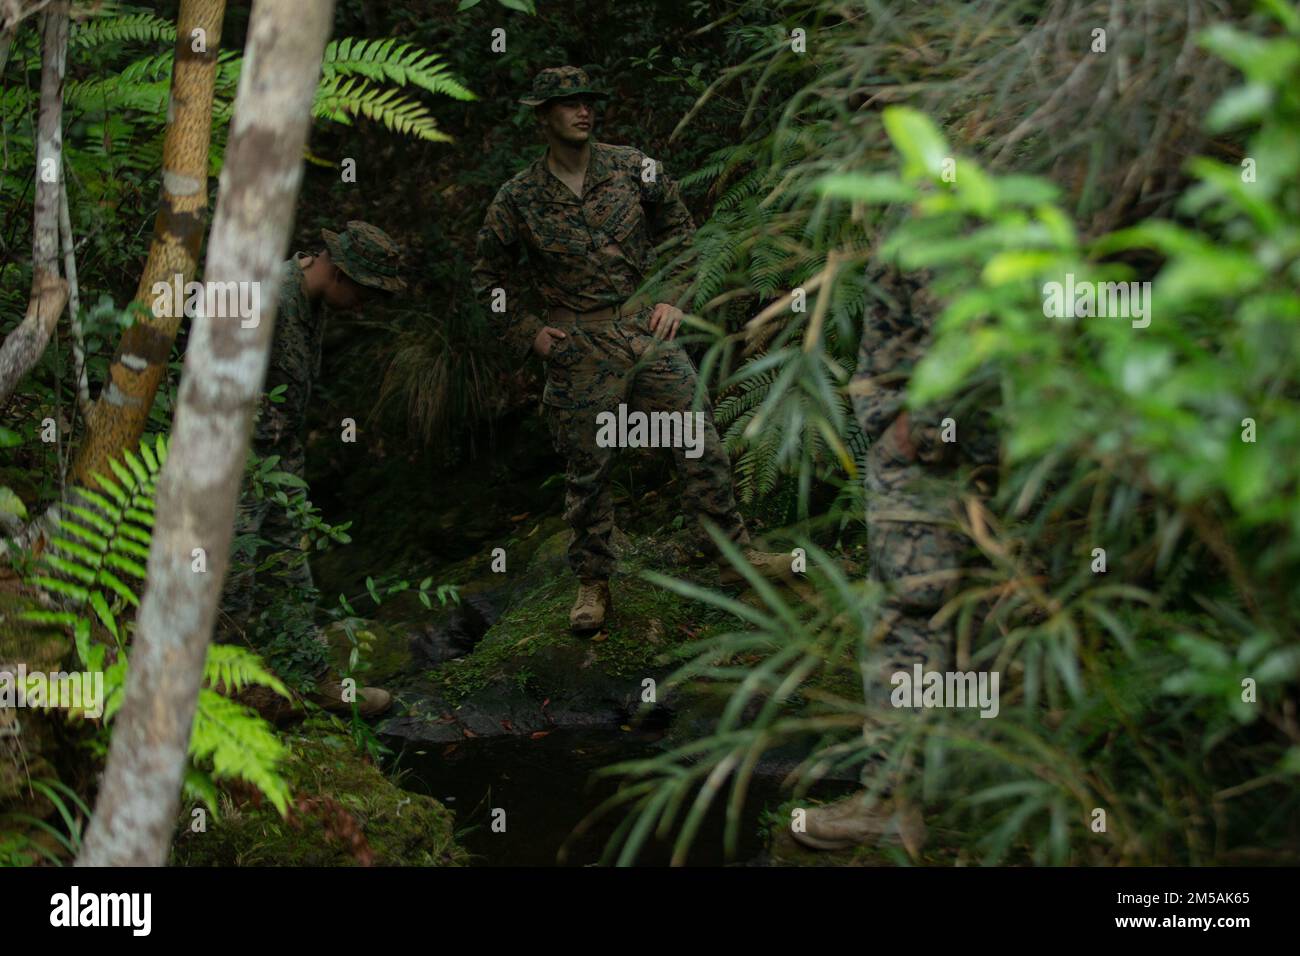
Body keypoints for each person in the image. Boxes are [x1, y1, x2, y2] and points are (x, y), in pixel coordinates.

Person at [471, 66, 794, 634]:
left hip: (645, 331)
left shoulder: (633, 166)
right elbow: (487, 277)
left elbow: (684, 237)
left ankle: (733, 559)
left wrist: (674, 297)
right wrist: (527, 333)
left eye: (588, 102)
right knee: (588, 470)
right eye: (568, 104)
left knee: (697, 437)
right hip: (577, 347)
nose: (583, 112)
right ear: (543, 116)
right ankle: (593, 583)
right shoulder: (518, 198)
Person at [792, 261, 998, 854]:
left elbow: (965, 323)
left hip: (929, 448)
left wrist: (920, 430)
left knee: (907, 610)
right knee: (970, 598)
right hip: (972, 437)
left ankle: (889, 800)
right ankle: (960, 780)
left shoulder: (940, 191)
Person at [224, 221, 406, 716]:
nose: (365, 306)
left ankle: (308, 676)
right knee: (232, 576)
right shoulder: (269, 298)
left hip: (279, 461)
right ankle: (229, 691)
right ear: (341, 274)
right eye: (365, 293)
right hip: (235, 463)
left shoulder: (312, 302)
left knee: (289, 572)